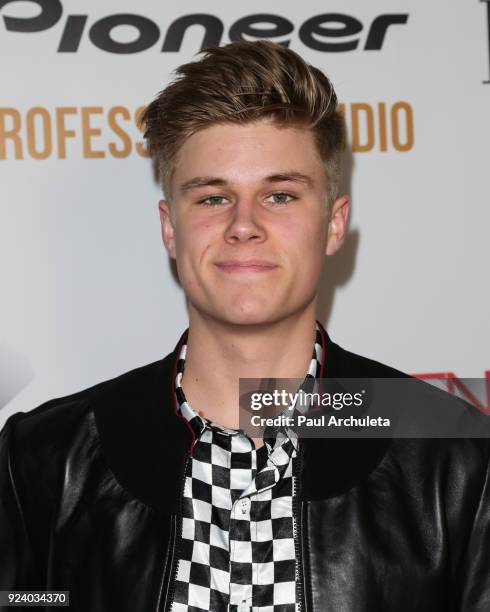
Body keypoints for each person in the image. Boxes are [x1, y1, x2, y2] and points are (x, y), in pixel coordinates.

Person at [0, 40, 489, 612]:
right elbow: (24, 603)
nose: (244, 225)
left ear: (333, 225)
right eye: (212, 198)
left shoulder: (454, 461)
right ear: (169, 228)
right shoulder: (42, 460)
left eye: (279, 195)